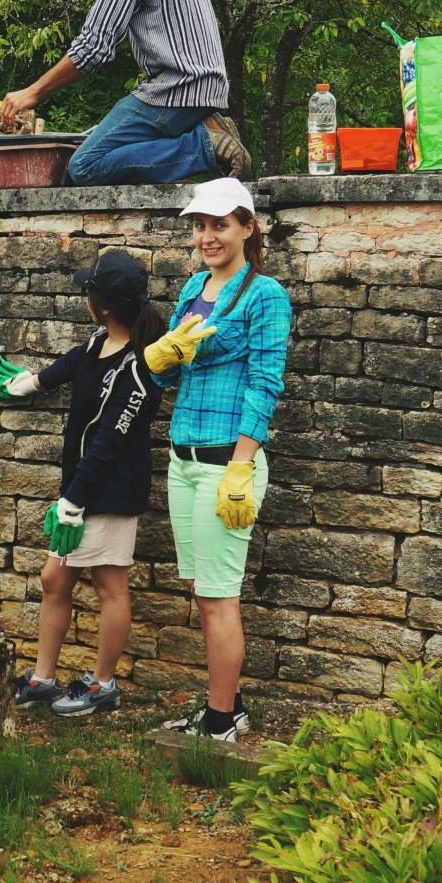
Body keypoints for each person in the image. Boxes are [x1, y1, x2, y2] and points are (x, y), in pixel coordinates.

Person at [144, 178, 290, 742]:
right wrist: (160, 357)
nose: (207, 236)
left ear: (247, 228)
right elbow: (174, 372)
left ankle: (221, 723)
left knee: (218, 596)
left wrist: (243, 464)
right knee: (202, 592)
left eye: (220, 225)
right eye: (200, 225)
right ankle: (226, 705)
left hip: (228, 464)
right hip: (185, 457)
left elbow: (265, 382)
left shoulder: (264, 295)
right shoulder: (193, 289)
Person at [0, 0, 251, 186]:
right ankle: (206, 134)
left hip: (175, 91)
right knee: (83, 144)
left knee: (85, 165)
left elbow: (94, 46)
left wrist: (32, 92)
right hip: (203, 88)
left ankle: (204, 146)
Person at [0, 249, 165, 717]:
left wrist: (74, 499)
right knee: (55, 580)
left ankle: (103, 685)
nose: (84, 297)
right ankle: (43, 678)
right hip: (81, 489)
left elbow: (111, 438)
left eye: (89, 291)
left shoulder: (139, 366)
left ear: (105, 304)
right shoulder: (97, 344)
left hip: (108, 491)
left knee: (109, 587)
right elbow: (68, 368)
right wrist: (28, 382)